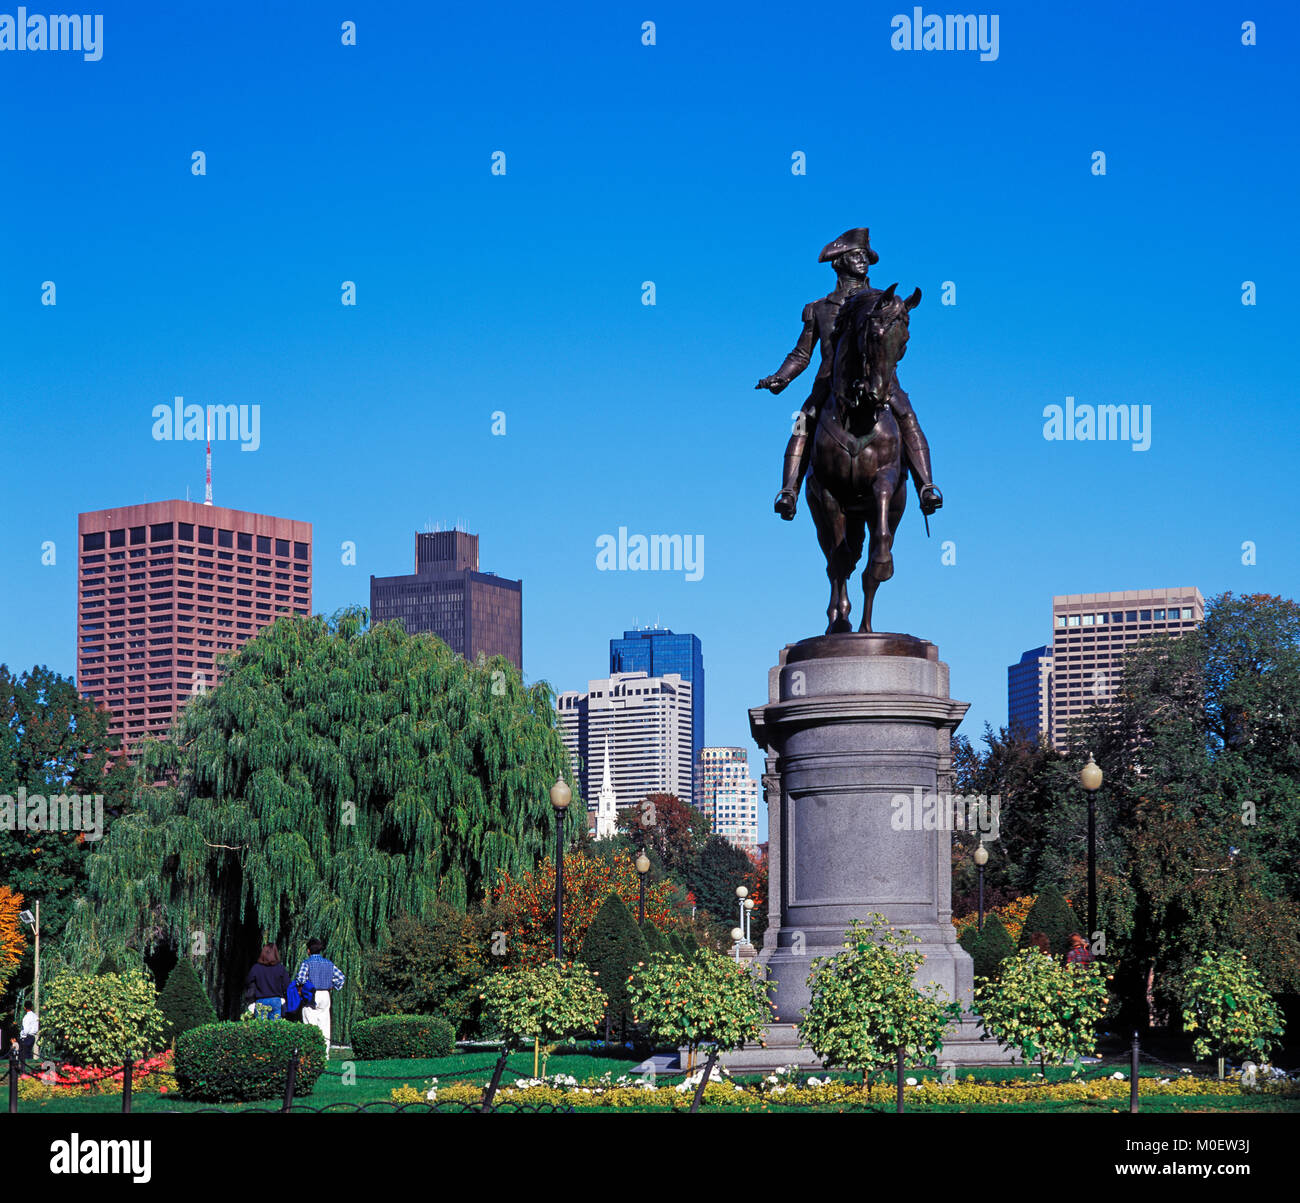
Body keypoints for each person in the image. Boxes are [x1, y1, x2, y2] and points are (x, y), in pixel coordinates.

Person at [756, 227, 942, 521]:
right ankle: (789, 490)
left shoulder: (882, 301)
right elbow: (801, 354)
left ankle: (926, 487)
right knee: (803, 421)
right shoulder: (817, 309)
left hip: (879, 381)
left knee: (907, 415)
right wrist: (782, 377)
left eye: (865, 255)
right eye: (856, 255)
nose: (863, 261)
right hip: (829, 383)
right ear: (839, 261)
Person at [295, 938, 346, 1049]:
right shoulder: (329, 963)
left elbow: (300, 979)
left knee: (310, 1023)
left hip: (312, 994)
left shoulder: (307, 963)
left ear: (308, 951)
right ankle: (325, 1053)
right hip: (325, 994)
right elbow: (341, 977)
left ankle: (311, 1052)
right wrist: (332, 986)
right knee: (324, 1024)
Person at [245, 943, 291, 1019]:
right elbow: (286, 985)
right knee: (275, 1027)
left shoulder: (256, 968)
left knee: (261, 1028)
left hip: (261, 1001)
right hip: (276, 1000)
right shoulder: (280, 968)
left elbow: (248, 982)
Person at [18, 1005, 38, 1071]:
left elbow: (26, 1029)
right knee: (29, 1054)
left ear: (24, 1008)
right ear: (32, 1007)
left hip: (26, 1037)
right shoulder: (35, 1016)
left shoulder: (26, 1017)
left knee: (23, 1055)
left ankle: (23, 1070)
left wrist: (22, 1035)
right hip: (32, 1036)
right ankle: (29, 1071)